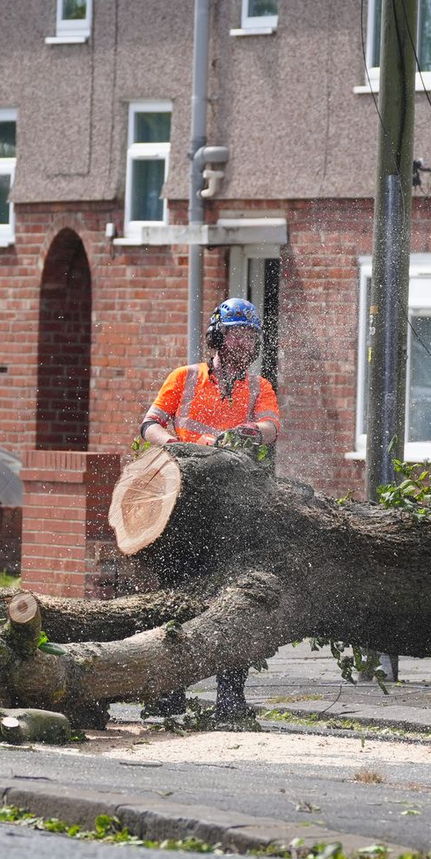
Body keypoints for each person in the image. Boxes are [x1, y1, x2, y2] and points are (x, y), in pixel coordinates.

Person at [139, 296, 280, 720]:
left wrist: (252, 431)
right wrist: (176, 445)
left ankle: (230, 697)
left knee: (234, 600)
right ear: (219, 335)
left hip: (234, 508)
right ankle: (169, 691)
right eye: (238, 332)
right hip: (184, 501)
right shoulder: (183, 379)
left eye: (251, 334)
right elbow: (149, 424)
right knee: (175, 598)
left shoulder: (260, 387)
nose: (245, 341)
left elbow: (273, 427)